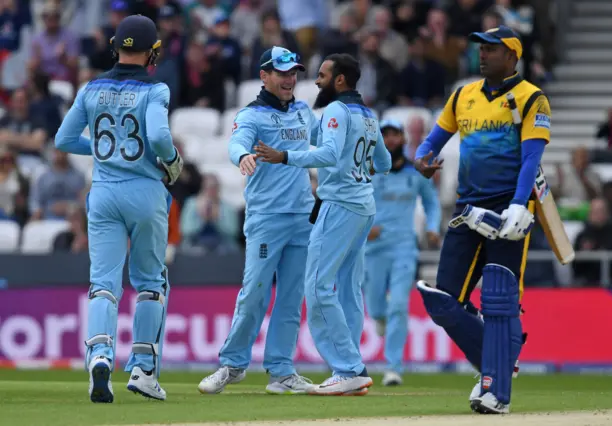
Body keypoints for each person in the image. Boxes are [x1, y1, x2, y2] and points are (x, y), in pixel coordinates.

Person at [413, 25, 550, 414]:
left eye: (491, 49)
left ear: (512, 56)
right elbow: (431, 143)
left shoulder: (531, 98)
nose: (482, 54)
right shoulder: (463, 95)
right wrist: (422, 159)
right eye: (480, 48)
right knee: (442, 302)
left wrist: (521, 205)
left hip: (508, 209)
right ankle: (503, 355)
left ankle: (496, 392)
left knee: (499, 301)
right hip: (466, 209)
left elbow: (530, 158)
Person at [54, 14, 184, 403]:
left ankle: (99, 357)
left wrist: (96, 149)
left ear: (116, 47)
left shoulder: (90, 88)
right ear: (152, 52)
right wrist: (173, 159)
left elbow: (63, 139)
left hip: (105, 192)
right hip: (145, 191)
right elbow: (160, 135)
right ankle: (143, 369)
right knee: (150, 281)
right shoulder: (156, 89)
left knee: (104, 282)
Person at [256, 53, 392, 395]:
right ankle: (352, 369)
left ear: (340, 80)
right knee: (348, 288)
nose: (315, 81)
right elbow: (385, 162)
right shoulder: (369, 116)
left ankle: (348, 368)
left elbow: (330, 155)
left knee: (317, 286)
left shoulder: (336, 110)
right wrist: (357, 169)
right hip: (364, 207)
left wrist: (284, 156)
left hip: (340, 206)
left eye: (322, 75)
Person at [197, 47, 317, 396]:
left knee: (292, 297)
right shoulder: (252, 115)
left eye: (293, 72)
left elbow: (324, 147)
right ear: (264, 76)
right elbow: (236, 142)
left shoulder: (303, 111)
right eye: (282, 72)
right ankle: (232, 364)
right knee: (255, 292)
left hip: (301, 217)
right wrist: (243, 156)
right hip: (266, 217)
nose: (290, 78)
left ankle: (281, 371)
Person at [364, 119, 441, 386]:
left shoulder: (414, 174)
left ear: (403, 139)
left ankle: (393, 367)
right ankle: (378, 317)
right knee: (375, 306)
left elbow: (431, 203)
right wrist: (365, 228)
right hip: (372, 249)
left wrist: (432, 227)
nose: (391, 140)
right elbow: (350, 202)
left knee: (398, 304)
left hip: (404, 248)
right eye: (385, 135)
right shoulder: (368, 171)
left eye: (395, 134)